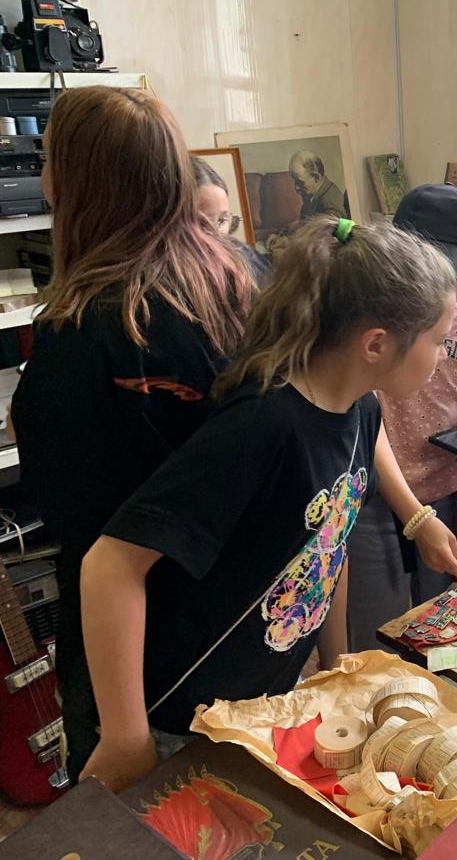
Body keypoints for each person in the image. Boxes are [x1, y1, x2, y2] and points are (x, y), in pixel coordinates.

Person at [75, 218, 457, 793]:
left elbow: (330, 545)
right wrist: (125, 736)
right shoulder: (265, 423)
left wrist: (335, 667)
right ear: (376, 344)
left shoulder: (361, 411)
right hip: (178, 718)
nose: (441, 356)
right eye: (436, 339)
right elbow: (110, 565)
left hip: (254, 706)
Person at [10, 86, 258, 782]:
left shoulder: (85, 330)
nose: (43, 177)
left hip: (142, 657)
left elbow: (76, 517)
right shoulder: (250, 275)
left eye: (48, 161)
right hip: (250, 618)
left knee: (142, 818)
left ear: (74, 183)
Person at [347, 185, 457, 650]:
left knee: (446, 624)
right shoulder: (365, 323)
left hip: (446, 488)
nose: (454, 289)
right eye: (444, 272)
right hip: (369, 501)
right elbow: (357, 414)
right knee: (375, 629)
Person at [289, 149, 349, 222]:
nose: (296, 187)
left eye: (300, 182)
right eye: (295, 181)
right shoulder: (313, 195)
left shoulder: (330, 204)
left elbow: (337, 229)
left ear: (316, 177)